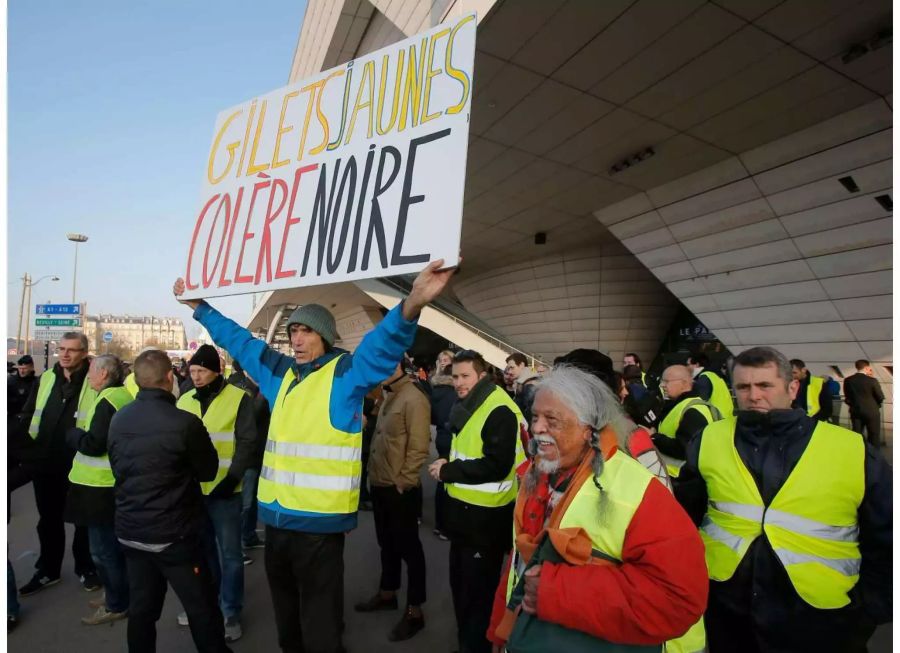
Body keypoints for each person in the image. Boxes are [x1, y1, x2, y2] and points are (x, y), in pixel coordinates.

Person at [173, 259, 454, 653]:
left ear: (324, 336)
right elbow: (239, 341)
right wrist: (200, 309)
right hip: (277, 521)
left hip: (320, 528)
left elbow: (380, 346)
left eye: (306, 331)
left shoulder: (345, 375)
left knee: (320, 624)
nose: (298, 339)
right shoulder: (279, 373)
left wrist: (412, 304)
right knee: (287, 619)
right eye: (293, 332)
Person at [675, 346, 892, 653]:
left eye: (765, 385)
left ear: (792, 388)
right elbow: (685, 517)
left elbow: (886, 534)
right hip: (729, 606)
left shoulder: (851, 449)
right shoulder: (710, 439)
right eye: (743, 387)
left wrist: (870, 610)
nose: (754, 396)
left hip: (822, 613)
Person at [487, 365, 708, 651]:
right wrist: (500, 630)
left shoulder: (637, 491)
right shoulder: (535, 476)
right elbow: (518, 567)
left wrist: (555, 591)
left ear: (586, 427)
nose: (537, 427)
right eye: (535, 416)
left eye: (551, 419)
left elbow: (678, 598)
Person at [108, 349, 231, 653]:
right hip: (176, 536)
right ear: (169, 379)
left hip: (132, 532)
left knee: (142, 610)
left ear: (137, 381)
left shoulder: (118, 419)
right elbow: (208, 471)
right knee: (201, 609)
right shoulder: (185, 423)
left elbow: (118, 467)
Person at [427, 349, 524, 653]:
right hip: (466, 517)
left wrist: (448, 471)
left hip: (486, 521)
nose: (458, 382)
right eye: (455, 376)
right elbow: (465, 448)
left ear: (482, 375)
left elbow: (497, 464)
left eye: (465, 375)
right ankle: (467, 644)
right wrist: (446, 460)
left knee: (478, 597)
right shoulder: (473, 402)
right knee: (464, 590)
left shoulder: (498, 409)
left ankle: (475, 647)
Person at [175, 344, 259, 641]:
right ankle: (205, 606)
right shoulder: (184, 400)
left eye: (202, 371)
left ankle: (230, 611)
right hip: (194, 493)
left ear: (217, 371)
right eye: (193, 371)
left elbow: (247, 442)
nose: (196, 377)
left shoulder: (239, 399)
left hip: (226, 492)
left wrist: (232, 478)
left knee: (230, 555)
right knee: (201, 554)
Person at [12, 332, 100, 595]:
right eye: (61, 349)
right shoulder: (47, 378)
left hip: (80, 462)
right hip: (45, 460)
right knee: (48, 519)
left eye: (72, 350)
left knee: (82, 520)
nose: (64, 354)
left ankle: (86, 568)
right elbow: (30, 413)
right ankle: (48, 570)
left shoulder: (94, 380)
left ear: (84, 353)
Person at [355, 362, 431, 641]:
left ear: (398, 365)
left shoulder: (414, 398)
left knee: (410, 549)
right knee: (386, 543)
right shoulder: (388, 395)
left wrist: (405, 481)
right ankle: (388, 593)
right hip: (381, 484)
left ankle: (415, 610)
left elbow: (419, 445)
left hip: (399, 488)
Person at [65, 354, 133, 625]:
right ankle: (116, 594)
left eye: (92, 371)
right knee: (112, 549)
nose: (89, 376)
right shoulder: (121, 396)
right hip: (108, 485)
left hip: (100, 487)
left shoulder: (107, 401)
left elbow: (95, 444)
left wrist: (73, 435)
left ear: (104, 374)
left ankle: (117, 603)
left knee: (103, 552)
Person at [226, 361, 269, 551]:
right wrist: (260, 394)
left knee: (251, 501)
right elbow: (248, 418)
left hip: (259, 452)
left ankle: (249, 535)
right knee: (245, 501)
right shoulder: (240, 387)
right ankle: (238, 543)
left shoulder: (259, 387)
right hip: (247, 454)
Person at [654, 364, 720, 478]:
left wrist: (655, 437)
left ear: (684, 383)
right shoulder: (678, 405)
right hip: (671, 476)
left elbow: (686, 449)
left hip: (682, 480)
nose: (662, 385)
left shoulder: (693, 410)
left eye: (666, 381)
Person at [429, 363, 455, 540]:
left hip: (441, 437)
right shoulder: (453, 395)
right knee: (447, 482)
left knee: (441, 479)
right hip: (451, 439)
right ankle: (445, 525)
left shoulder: (437, 391)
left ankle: (440, 524)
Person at [843, 359, 885, 447]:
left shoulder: (848, 380)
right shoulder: (872, 380)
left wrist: (853, 404)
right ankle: (874, 457)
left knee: (857, 435)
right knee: (873, 436)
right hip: (872, 411)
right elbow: (880, 397)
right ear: (866, 367)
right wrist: (876, 404)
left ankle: (857, 454)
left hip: (856, 411)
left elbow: (847, 397)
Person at [687, 352, 734, 418]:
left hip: (715, 418)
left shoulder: (704, 378)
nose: (687, 367)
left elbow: (700, 402)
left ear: (697, 365)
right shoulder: (715, 376)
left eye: (688, 364)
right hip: (724, 417)